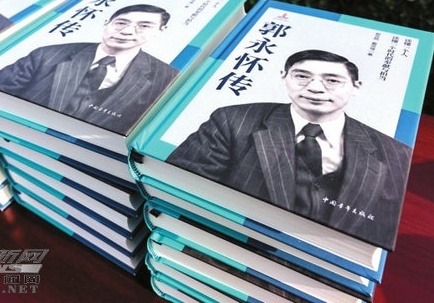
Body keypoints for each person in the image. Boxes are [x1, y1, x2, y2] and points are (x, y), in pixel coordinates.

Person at [166, 49, 412, 248]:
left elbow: (383, 227)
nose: (315, 88)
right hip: (233, 246)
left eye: (332, 80)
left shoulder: (395, 152)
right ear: (284, 77)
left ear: (356, 86)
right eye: (302, 76)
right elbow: (181, 187)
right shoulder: (233, 121)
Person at [0, 4, 179, 134]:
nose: (127, 31)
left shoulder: (166, 77)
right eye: (121, 23)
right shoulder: (47, 55)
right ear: (106, 23)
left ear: (160, 31)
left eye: (144, 26)